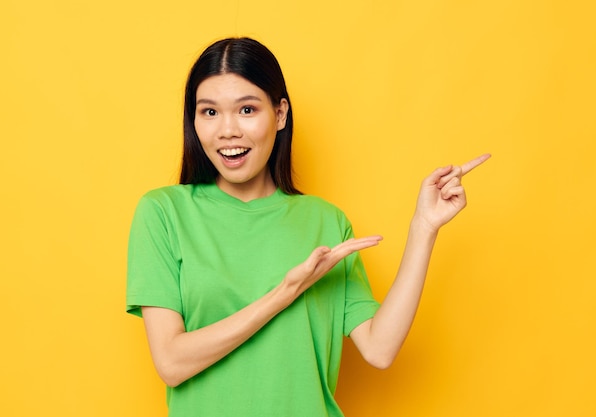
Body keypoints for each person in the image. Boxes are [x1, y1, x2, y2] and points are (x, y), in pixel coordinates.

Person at [126, 37, 490, 416]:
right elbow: (171, 362)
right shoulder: (164, 213)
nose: (227, 130)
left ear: (280, 114)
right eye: (210, 112)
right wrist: (286, 292)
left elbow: (379, 349)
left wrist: (424, 227)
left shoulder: (326, 221)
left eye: (247, 109)